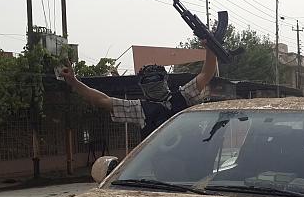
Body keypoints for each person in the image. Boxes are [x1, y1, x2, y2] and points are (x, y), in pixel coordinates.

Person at [60, 45, 217, 138]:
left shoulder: (182, 96)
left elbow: (206, 73)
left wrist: (211, 47)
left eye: (156, 79)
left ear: (165, 79)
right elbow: (102, 100)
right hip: (163, 173)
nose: (153, 84)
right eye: (149, 81)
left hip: (194, 166)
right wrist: (74, 81)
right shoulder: (181, 96)